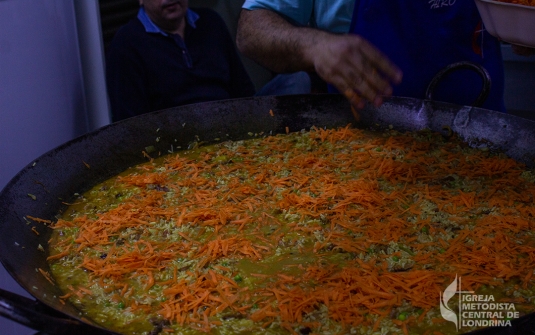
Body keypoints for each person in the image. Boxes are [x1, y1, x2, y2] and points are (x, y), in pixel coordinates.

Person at [236, 1, 526, 113]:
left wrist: (523, 30)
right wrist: (313, 44)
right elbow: (251, 31)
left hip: (482, 136)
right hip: (369, 154)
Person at [106, 0, 256, 122]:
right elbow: (131, 124)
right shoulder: (126, 44)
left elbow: (243, 89)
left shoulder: (211, 22)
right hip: (176, 144)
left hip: (231, 125)